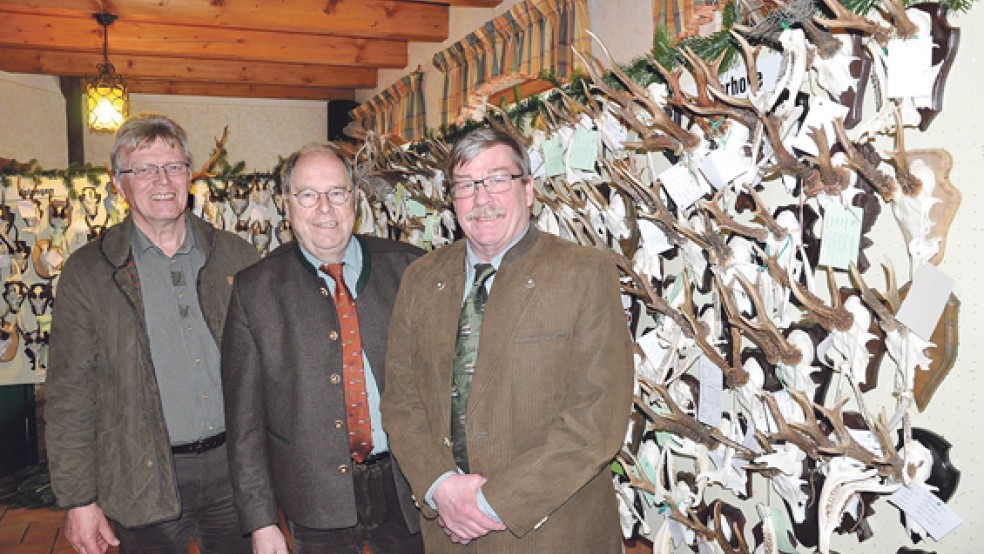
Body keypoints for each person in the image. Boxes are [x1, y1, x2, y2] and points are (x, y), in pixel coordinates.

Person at [381, 127, 635, 552]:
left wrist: (489, 503)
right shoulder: (421, 278)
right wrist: (439, 486)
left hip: (551, 533)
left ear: (529, 189)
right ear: (452, 198)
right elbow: (401, 401)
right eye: (466, 185)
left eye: (498, 179)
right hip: (448, 532)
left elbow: (595, 420)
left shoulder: (584, 273)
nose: (482, 199)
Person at [45, 113, 259, 554]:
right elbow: (69, 395)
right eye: (143, 169)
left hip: (236, 474)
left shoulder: (237, 257)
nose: (162, 180)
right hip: (141, 475)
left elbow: (272, 367)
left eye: (174, 166)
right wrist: (79, 500)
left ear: (189, 177)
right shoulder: (89, 273)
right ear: (119, 184)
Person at [221, 143, 425, 554]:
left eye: (336, 192)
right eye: (308, 195)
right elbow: (244, 424)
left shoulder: (409, 269)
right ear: (287, 204)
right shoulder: (254, 290)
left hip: (408, 488)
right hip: (312, 494)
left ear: (355, 200)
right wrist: (261, 522)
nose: (325, 208)